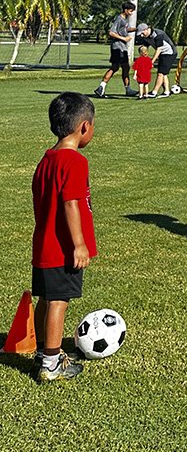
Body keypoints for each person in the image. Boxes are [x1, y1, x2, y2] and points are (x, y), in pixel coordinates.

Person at [31, 92, 98, 381]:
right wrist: (79, 244)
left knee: (46, 299)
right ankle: (51, 363)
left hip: (44, 245)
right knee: (59, 301)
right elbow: (72, 203)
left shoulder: (46, 160)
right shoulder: (74, 162)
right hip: (62, 248)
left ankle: (38, 348)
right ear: (84, 126)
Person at [94, 2, 137, 98]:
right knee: (115, 67)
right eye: (130, 11)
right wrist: (124, 39)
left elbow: (123, 30)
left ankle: (128, 89)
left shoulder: (124, 20)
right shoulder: (119, 18)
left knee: (126, 67)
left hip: (123, 47)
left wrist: (135, 29)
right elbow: (111, 32)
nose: (131, 13)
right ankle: (101, 87)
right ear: (125, 10)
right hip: (117, 47)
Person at [134, 24, 177, 98]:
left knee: (161, 73)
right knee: (164, 73)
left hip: (169, 53)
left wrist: (151, 62)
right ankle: (167, 91)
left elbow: (159, 49)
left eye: (142, 33)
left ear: (146, 29)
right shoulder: (146, 37)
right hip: (163, 54)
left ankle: (154, 92)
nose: (141, 35)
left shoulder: (158, 34)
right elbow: (145, 48)